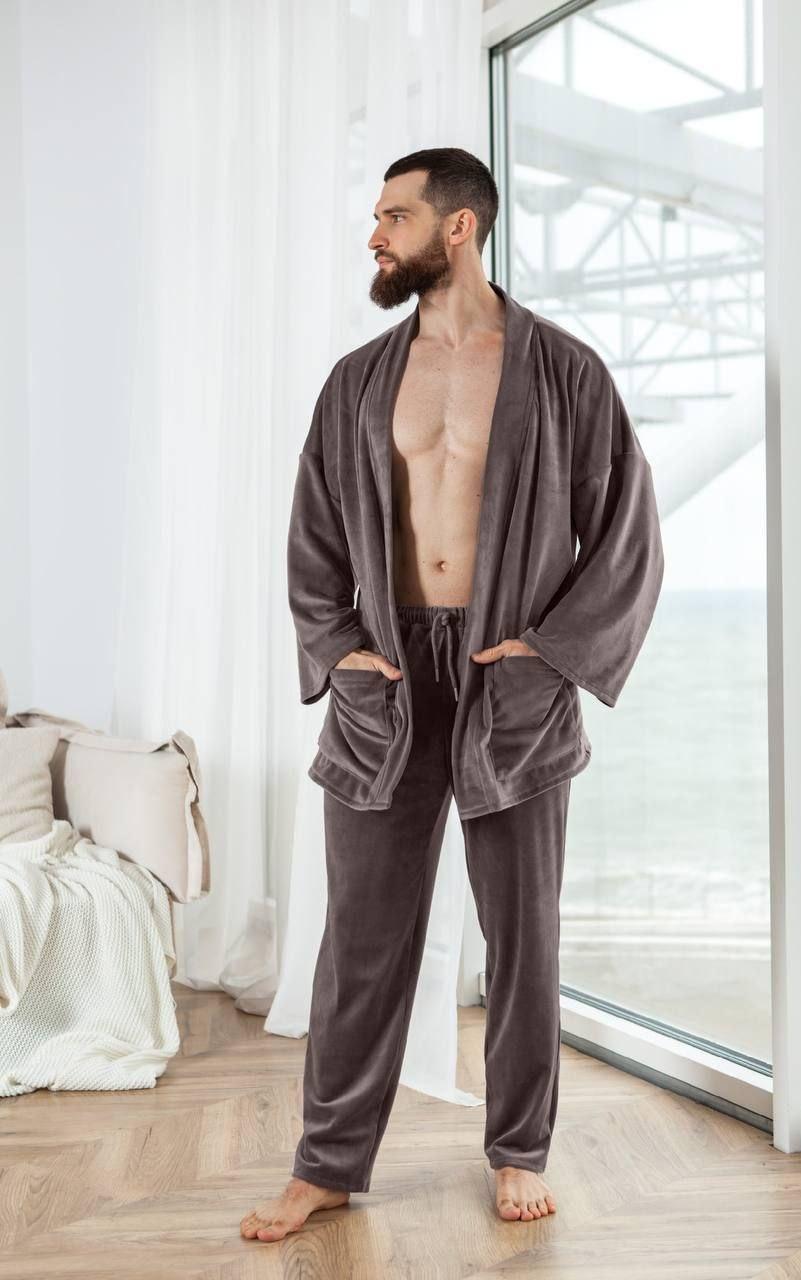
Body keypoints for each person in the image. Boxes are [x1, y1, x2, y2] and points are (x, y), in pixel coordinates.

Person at [241, 147, 664, 1243]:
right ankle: (327, 1161)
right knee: (362, 936)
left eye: (395, 215)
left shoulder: (563, 372)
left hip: (509, 677)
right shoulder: (357, 381)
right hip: (385, 679)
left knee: (524, 936)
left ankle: (518, 1147)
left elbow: (628, 533)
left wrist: (548, 654)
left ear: (459, 226)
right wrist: (338, 648)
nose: (375, 234)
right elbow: (312, 537)